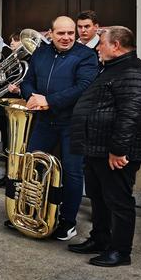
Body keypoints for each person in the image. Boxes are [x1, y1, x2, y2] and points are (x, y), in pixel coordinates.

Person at [69, 26, 141, 267]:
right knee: (98, 197)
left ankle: (120, 251)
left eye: (102, 44)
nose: (98, 48)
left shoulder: (134, 72)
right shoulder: (112, 68)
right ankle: (100, 239)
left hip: (115, 153)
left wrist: (118, 150)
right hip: (97, 148)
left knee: (118, 201)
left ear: (116, 45)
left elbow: (130, 116)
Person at [19, 16, 99, 241]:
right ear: (50, 33)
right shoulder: (40, 53)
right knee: (32, 165)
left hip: (72, 123)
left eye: (70, 33)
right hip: (44, 121)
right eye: (61, 33)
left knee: (73, 172)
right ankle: (31, 213)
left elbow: (83, 87)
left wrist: (49, 101)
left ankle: (68, 221)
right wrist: (31, 97)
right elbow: (27, 81)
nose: (66, 38)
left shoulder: (86, 56)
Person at [0, 33, 21, 187]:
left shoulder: (28, 60)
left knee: (16, 143)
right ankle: (7, 174)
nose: (12, 43)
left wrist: (19, 91)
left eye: (15, 40)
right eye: (11, 41)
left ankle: (17, 176)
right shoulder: (5, 59)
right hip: (1, 106)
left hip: (17, 106)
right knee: (6, 142)